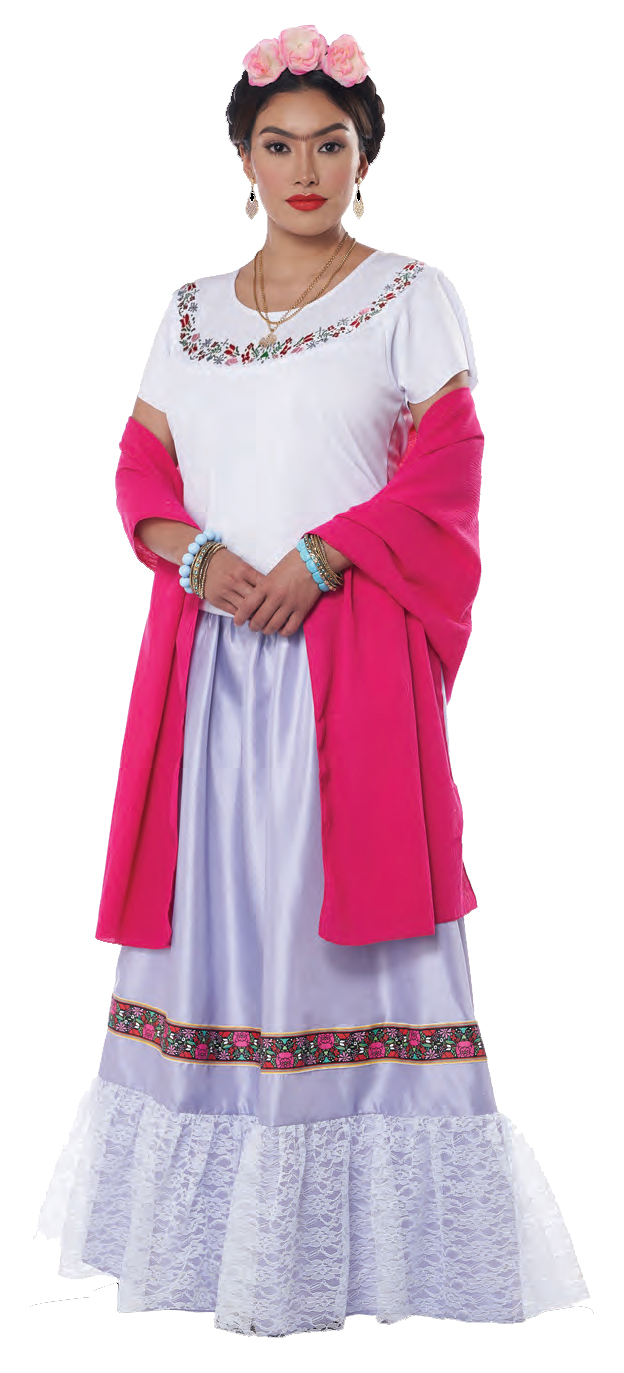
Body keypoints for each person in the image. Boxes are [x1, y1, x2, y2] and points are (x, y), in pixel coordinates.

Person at [36, 24, 588, 1336]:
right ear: (242, 158)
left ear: (363, 158)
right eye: (278, 145)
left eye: (329, 146)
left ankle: (378, 1262)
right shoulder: (188, 313)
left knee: (348, 929)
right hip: (212, 675)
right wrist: (197, 556)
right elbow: (140, 473)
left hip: (347, 672)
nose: (304, 169)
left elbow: (446, 471)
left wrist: (326, 555)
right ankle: (216, 1257)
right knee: (219, 921)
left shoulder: (409, 294)